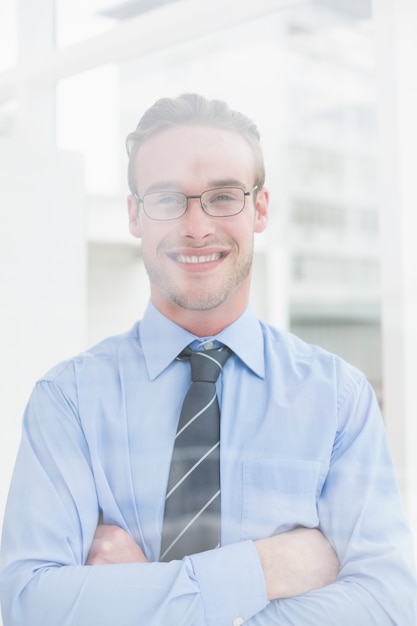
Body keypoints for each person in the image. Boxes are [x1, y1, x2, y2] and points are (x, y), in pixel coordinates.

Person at [0, 93, 416, 626]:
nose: (196, 227)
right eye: (167, 198)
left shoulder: (338, 399)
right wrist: (265, 569)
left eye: (223, 197)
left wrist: (142, 592)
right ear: (134, 215)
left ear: (260, 208)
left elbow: (387, 603)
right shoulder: (68, 401)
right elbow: (33, 605)